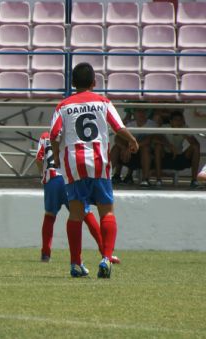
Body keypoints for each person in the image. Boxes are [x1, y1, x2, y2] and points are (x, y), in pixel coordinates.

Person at [49, 63, 138, 279]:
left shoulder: (63, 106)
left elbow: (54, 135)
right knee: (106, 211)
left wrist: (57, 158)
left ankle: (76, 264)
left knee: (77, 214)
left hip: (74, 165)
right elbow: (118, 128)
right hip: (99, 162)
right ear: (94, 82)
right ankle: (106, 258)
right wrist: (132, 141)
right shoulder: (103, 102)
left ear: (72, 83)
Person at [36, 131, 120, 265]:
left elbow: (39, 158)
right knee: (85, 213)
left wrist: (43, 174)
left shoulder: (45, 136)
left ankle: (45, 253)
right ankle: (105, 253)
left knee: (50, 216)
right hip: (68, 178)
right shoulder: (70, 133)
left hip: (51, 180)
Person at [110, 108, 158, 187]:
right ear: (134, 113)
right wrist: (124, 148)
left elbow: (149, 140)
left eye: (143, 111)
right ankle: (107, 176)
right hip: (129, 152)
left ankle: (145, 179)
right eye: (139, 111)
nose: (141, 113)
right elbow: (117, 138)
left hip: (145, 153)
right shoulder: (129, 124)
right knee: (116, 148)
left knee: (145, 149)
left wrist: (129, 149)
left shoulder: (152, 124)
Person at [155, 111, 201, 189]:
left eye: (180, 120)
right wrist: (169, 146)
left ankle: (194, 180)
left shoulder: (185, 128)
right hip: (165, 156)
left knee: (195, 147)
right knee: (158, 147)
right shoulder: (165, 127)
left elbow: (196, 144)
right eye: (176, 120)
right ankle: (158, 180)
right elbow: (154, 139)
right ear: (171, 121)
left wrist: (183, 133)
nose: (178, 122)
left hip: (179, 157)